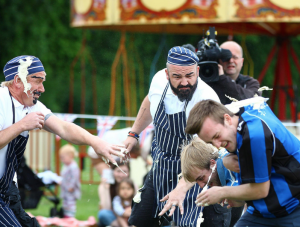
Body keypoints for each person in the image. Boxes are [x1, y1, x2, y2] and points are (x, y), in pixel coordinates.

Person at [0, 55, 125, 227]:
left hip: (7, 189)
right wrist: (22, 125)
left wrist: (96, 142)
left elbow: (64, 128)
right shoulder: (1, 100)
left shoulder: (33, 106)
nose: (42, 88)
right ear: (18, 80)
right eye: (38, 81)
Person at [124, 46, 231, 227]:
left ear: (197, 71)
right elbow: (151, 99)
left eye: (189, 76)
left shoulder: (206, 100)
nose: (184, 83)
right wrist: (134, 133)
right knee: (139, 221)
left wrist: (180, 189)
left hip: (196, 172)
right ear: (167, 74)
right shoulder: (158, 80)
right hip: (161, 166)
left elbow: (203, 155)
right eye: (177, 77)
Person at [185, 99, 300, 226]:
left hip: (293, 206)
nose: (217, 146)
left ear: (227, 119)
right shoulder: (243, 113)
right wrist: (227, 159)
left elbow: (261, 190)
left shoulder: (254, 134)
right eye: (211, 143)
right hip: (263, 211)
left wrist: (222, 192)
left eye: (217, 136)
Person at [98, 160, 130, 227]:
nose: (121, 175)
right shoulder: (104, 186)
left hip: (129, 216)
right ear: (113, 172)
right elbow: (106, 207)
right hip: (115, 217)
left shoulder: (132, 186)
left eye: (124, 172)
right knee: (103, 213)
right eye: (118, 171)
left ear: (129, 173)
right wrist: (106, 189)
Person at [59, 144, 81, 218]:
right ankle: (66, 216)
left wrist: (71, 186)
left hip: (71, 190)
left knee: (70, 204)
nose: (62, 160)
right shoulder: (65, 166)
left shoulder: (73, 166)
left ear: (71, 156)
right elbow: (64, 176)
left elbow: (74, 178)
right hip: (65, 189)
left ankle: (70, 217)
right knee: (65, 203)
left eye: (63, 158)